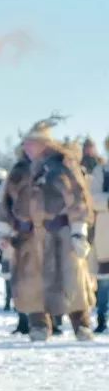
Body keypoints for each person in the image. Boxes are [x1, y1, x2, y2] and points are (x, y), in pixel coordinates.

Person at [0, 121, 96, 342]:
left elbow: (78, 200)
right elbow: (5, 206)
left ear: (45, 144)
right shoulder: (19, 171)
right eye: (26, 142)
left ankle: (81, 324)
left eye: (33, 142)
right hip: (28, 236)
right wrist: (3, 234)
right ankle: (38, 325)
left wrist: (79, 231)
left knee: (71, 281)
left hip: (59, 234)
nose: (28, 146)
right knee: (30, 284)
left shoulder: (62, 167)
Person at [88, 137, 109, 333]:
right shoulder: (101, 171)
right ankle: (103, 319)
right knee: (105, 281)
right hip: (106, 232)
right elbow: (92, 198)